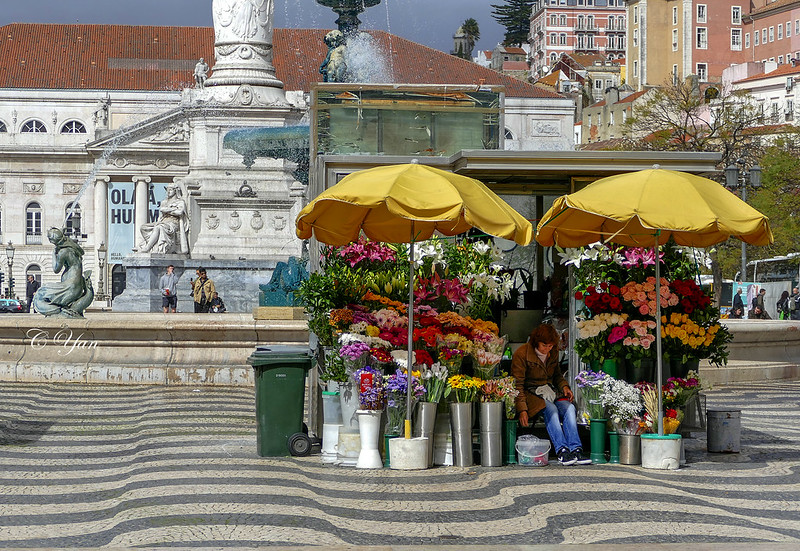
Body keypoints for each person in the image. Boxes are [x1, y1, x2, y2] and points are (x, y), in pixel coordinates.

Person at [512, 323, 591, 466]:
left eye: (550, 346)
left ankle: (576, 449)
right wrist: (522, 409)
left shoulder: (553, 352)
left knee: (569, 408)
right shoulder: (522, 353)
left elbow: (557, 375)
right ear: (536, 342)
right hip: (531, 394)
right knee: (551, 410)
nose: (547, 349)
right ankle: (561, 450)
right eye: (544, 345)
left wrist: (564, 386)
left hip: (549, 391)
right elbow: (518, 386)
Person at [139, 183, 189, 254]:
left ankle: (148, 247)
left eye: (170, 190)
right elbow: (161, 214)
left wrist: (167, 210)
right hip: (163, 221)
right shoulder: (164, 202)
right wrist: (172, 210)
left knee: (159, 228)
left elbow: (180, 212)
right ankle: (152, 245)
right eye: (167, 190)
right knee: (143, 227)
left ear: (175, 191)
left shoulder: (180, 202)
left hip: (173, 223)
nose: (168, 192)